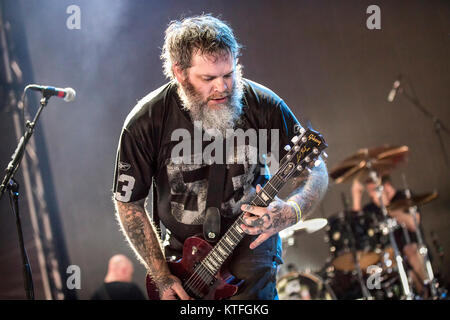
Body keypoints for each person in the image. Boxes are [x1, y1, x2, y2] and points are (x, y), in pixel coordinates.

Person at [112, 14, 328, 300]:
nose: (223, 87)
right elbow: (128, 203)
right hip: (184, 268)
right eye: (208, 78)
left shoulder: (263, 104)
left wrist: (292, 211)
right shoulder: (146, 122)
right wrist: (161, 276)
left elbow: (316, 170)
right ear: (179, 72)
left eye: (229, 74)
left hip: (251, 257)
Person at [351, 175, 428, 297]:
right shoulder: (370, 209)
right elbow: (357, 231)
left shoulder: (403, 197)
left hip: (410, 252)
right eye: (369, 192)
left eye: (373, 190)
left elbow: (414, 225)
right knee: (369, 267)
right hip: (385, 258)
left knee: (411, 251)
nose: (371, 195)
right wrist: (356, 197)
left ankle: (426, 295)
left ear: (386, 186)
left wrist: (388, 207)